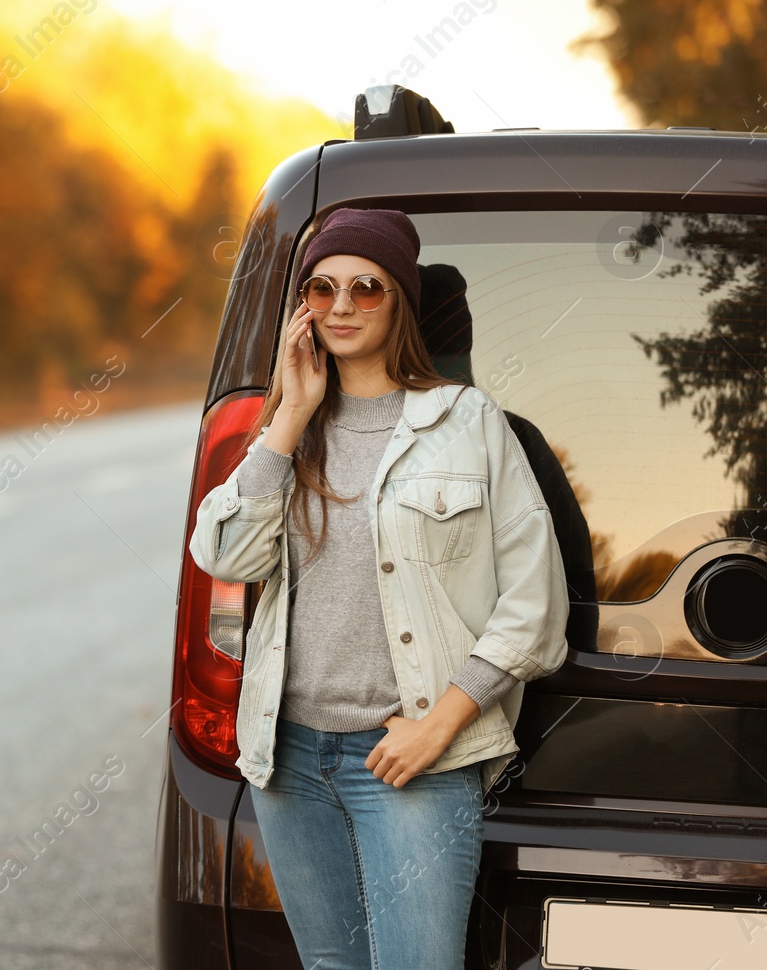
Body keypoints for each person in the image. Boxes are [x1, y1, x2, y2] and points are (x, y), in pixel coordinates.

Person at [186, 207, 569, 970]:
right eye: (321, 289)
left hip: (412, 754)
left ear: (399, 301)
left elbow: (536, 607)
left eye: (366, 288)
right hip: (289, 755)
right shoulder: (289, 430)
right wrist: (290, 414)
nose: (342, 306)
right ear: (303, 308)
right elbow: (223, 553)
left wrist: (439, 725)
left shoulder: (468, 423)